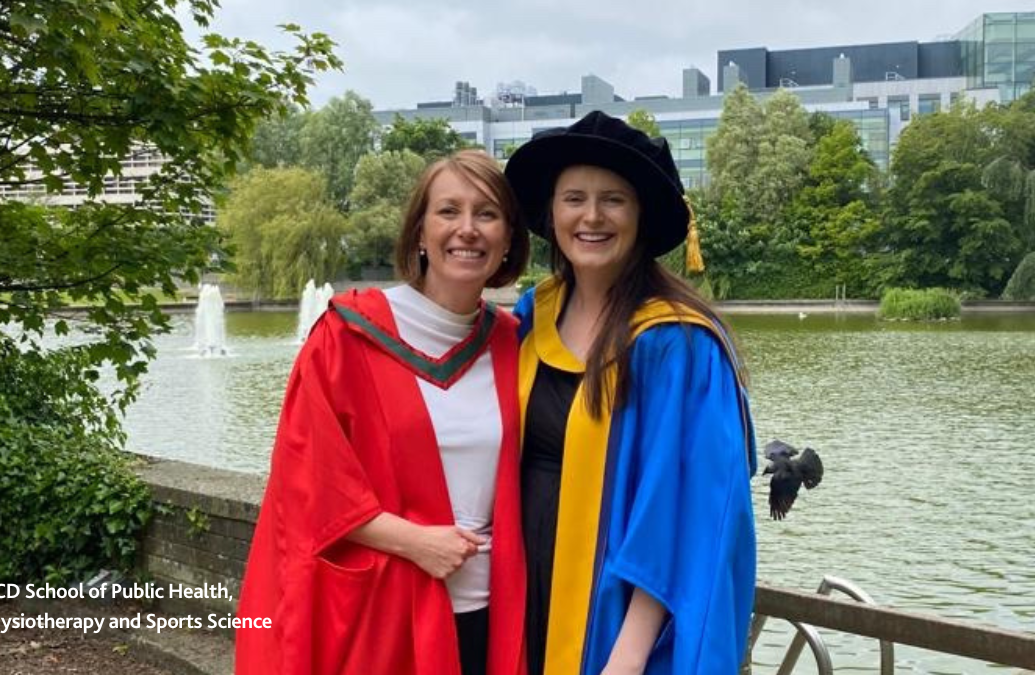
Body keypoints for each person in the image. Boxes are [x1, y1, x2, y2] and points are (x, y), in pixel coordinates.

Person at [235, 150, 530, 675]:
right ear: (419, 232)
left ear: (508, 239)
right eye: (448, 212)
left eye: (487, 214)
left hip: (493, 612)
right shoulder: (348, 336)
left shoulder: (514, 344)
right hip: (386, 615)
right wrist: (416, 541)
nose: (468, 229)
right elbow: (306, 481)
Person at [504, 111, 757, 675]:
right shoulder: (531, 317)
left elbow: (686, 513)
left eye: (613, 200)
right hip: (520, 603)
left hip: (613, 624)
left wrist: (628, 656)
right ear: (552, 212)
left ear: (641, 217)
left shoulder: (677, 345)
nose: (591, 216)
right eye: (574, 198)